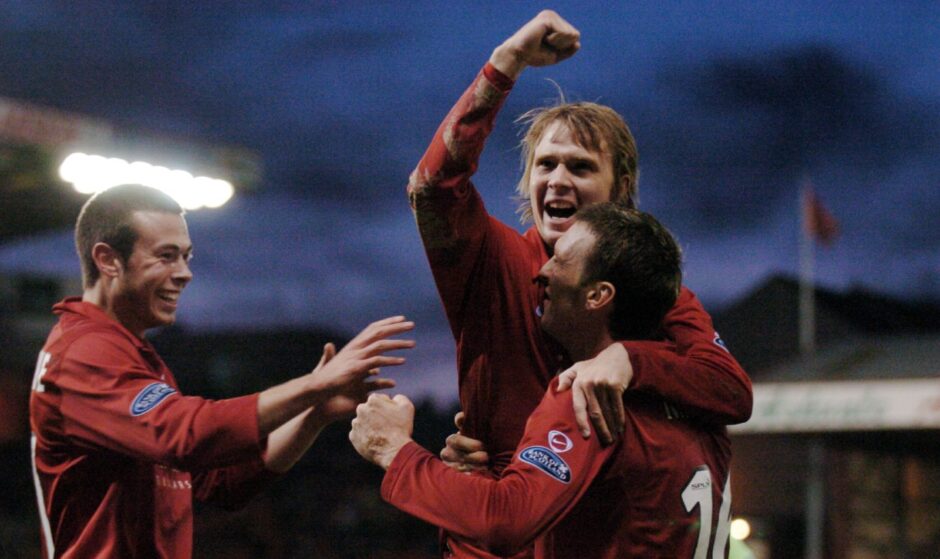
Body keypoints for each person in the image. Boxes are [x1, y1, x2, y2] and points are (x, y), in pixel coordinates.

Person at [408, 10, 750, 555]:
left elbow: (732, 390)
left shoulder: (657, 291)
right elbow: (432, 187)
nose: (558, 180)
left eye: (581, 167)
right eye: (545, 165)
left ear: (623, 186)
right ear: (526, 180)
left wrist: (630, 361)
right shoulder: (494, 261)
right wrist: (506, 63)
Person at [28, 184, 415, 558]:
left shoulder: (134, 355)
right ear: (108, 260)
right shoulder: (84, 352)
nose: (184, 273)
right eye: (166, 256)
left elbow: (219, 483)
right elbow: (184, 435)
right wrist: (314, 384)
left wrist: (314, 413)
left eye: (186, 256)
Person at [352, 204, 731, 558]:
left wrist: (394, 450)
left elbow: (505, 519)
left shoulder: (586, 396)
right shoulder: (702, 403)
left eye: (561, 260)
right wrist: (480, 480)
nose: (542, 271)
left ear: (598, 295)